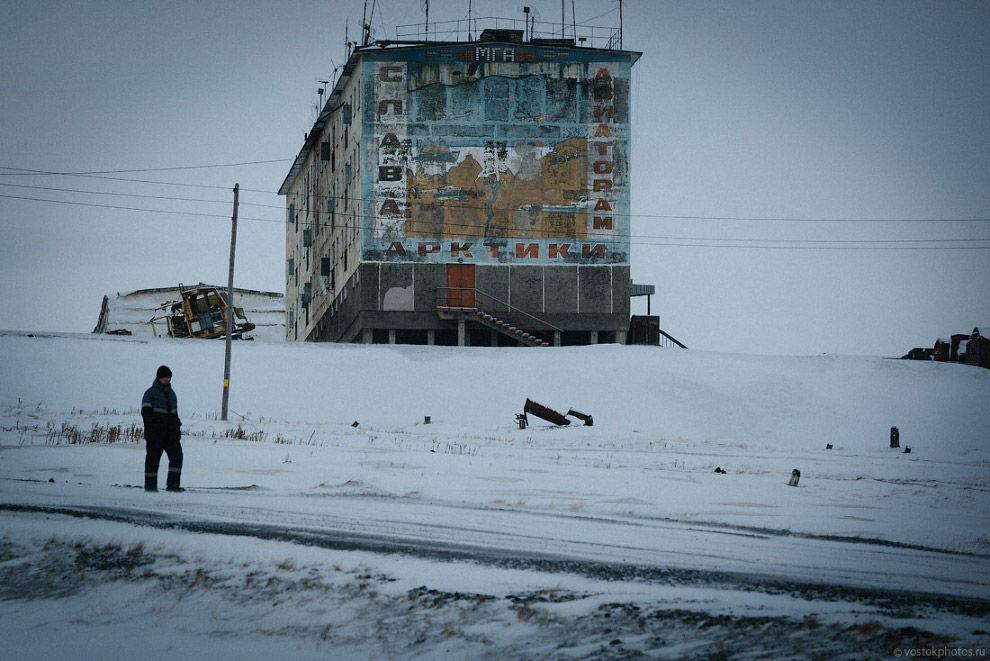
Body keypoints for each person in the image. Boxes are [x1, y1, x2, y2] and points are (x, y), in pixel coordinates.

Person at [141, 365, 184, 492]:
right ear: (159, 377)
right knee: (152, 461)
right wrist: (152, 430)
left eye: (170, 377)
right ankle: (150, 487)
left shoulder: (172, 393)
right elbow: (146, 414)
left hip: (171, 435)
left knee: (177, 457)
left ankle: (173, 485)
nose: (168, 379)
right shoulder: (150, 393)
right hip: (155, 435)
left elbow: (175, 414)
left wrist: (177, 428)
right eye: (166, 377)